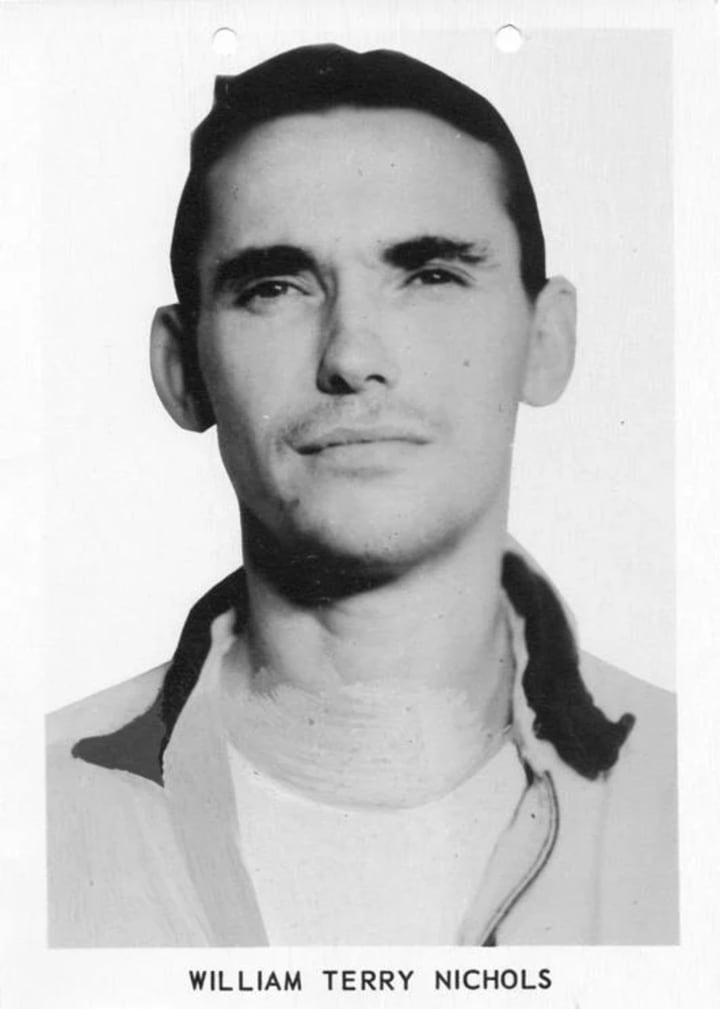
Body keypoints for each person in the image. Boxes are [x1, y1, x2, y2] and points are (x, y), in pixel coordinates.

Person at [46, 44, 677, 947]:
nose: (350, 355)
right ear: (182, 370)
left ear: (547, 339)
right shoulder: (27, 811)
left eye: (431, 275)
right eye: (273, 287)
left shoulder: (694, 788)